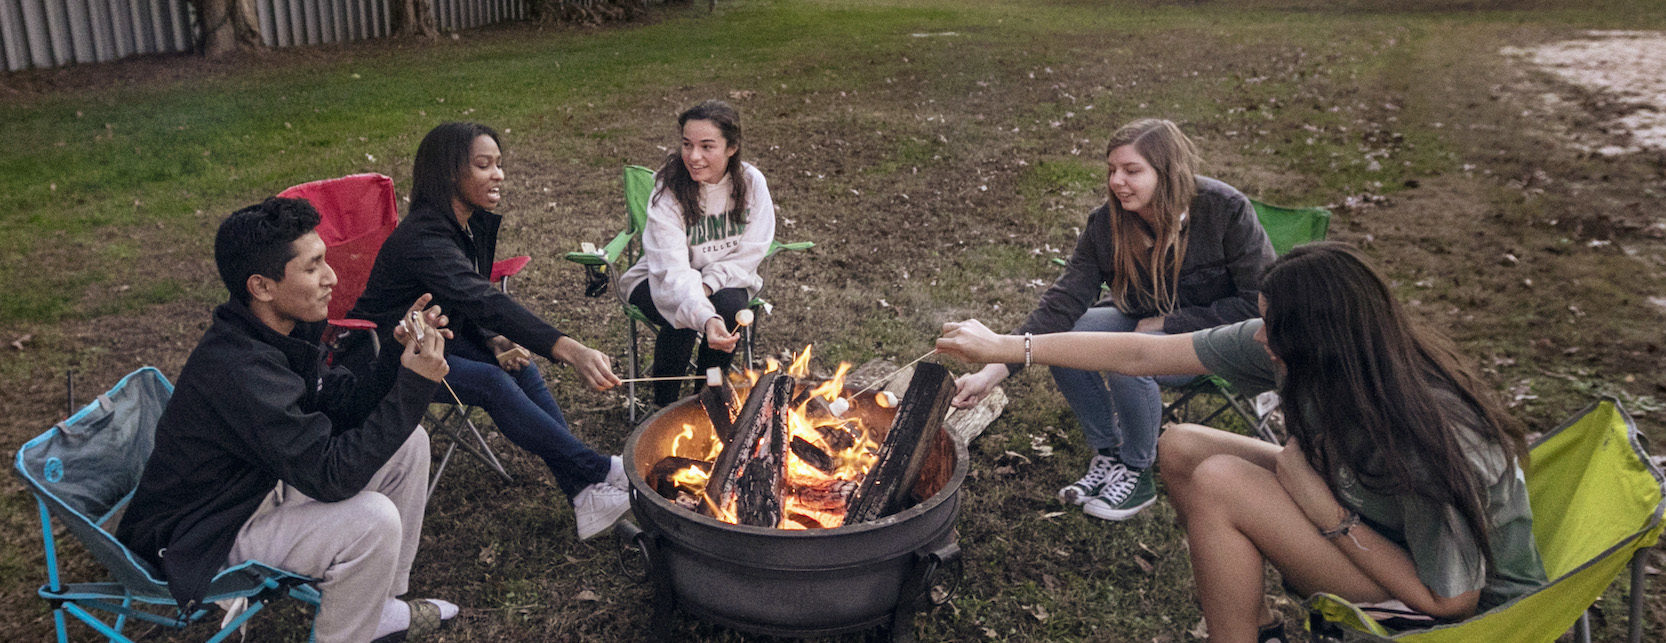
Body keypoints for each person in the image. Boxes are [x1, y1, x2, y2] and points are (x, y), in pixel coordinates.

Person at [938, 242, 1547, 642]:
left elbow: (1454, 601)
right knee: (1179, 447)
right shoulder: (1306, 356)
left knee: (1223, 482)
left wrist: (1322, 508)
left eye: (1271, 327)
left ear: (1322, 340)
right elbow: (1141, 352)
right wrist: (1009, 348)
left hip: (1458, 608)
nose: (1259, 338)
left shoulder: (1433, 440)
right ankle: (1256, 629)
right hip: (1373, 524)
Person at [117, 197, 460, 643]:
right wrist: (414, 387)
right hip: (207, 532)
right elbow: (332, 476)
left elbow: (339, 405)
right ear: (262, 286)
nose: (332, 277)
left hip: (253, 486)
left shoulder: (278, 331)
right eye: (313, 266)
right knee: (373, 521)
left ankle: (376, 608)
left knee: (409, 443)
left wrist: (397, 356)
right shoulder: (240, 369)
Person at [954, 118, 1274, 521]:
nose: (1117, 182)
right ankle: (1109, 452)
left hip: (1212, 341)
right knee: (1068, 339)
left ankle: (1138, 470)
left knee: (1128, 360)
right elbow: (1062, 303)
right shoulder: (1106, 224)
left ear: (1168, 172)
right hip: (1139, 321)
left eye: (1132, 171)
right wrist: (992, 371)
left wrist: (1169, 325)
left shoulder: (1224, 210)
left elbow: (1258, 303)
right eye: (1112, 170)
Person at [349, 122, 629, 540]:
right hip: (389, 355)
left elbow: (468, 298)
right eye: (484, 165)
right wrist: (568, 348)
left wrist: (499, 341)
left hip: (439, 340)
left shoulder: (469, 225)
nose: (498, 174)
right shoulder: (423, 237)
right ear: (448, 173)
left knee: (519, 368)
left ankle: (584, 494)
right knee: (490, 382)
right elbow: (483, 298)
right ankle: (597, 470)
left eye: (499, 164)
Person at [618, 99, 776, 406]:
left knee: (730, 309)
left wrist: (708, 285)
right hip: (657, 278)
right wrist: (703, 314)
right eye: (687, 144)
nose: (693, 156)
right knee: (683, 318)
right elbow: (672, 271)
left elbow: (751, 252)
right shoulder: (669, 189)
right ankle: (664, 408)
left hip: (722, 276)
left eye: (707, 146)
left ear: (732, 147)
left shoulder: (751, 183)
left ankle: (707, 401)